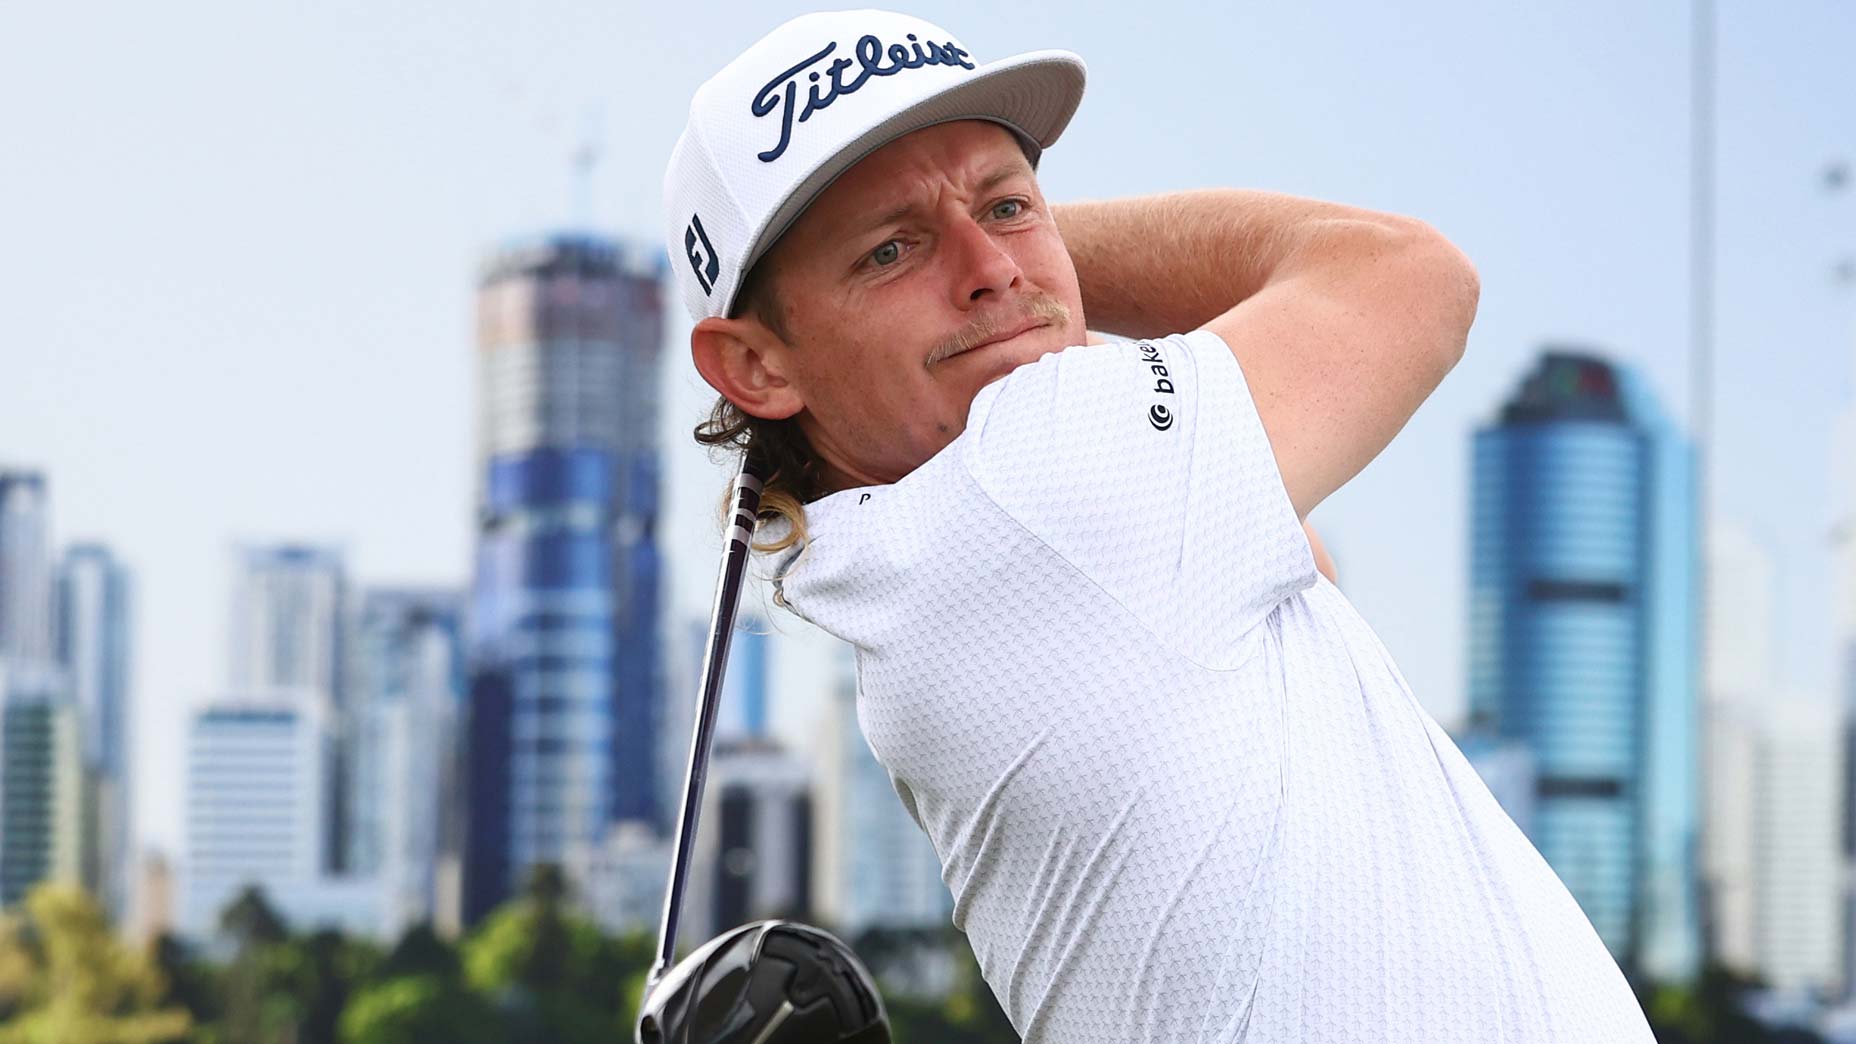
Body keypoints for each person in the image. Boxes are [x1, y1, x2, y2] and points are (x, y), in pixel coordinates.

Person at [663, 10, 1656, 1043]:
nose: (990, 265)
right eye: (887, 251)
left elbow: (1296, 566)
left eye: (1009, 203)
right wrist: (1030, 259)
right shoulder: (1040, 479)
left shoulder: (928, 564)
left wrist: (982, 267)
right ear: (756, 365)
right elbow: (1409, 276)